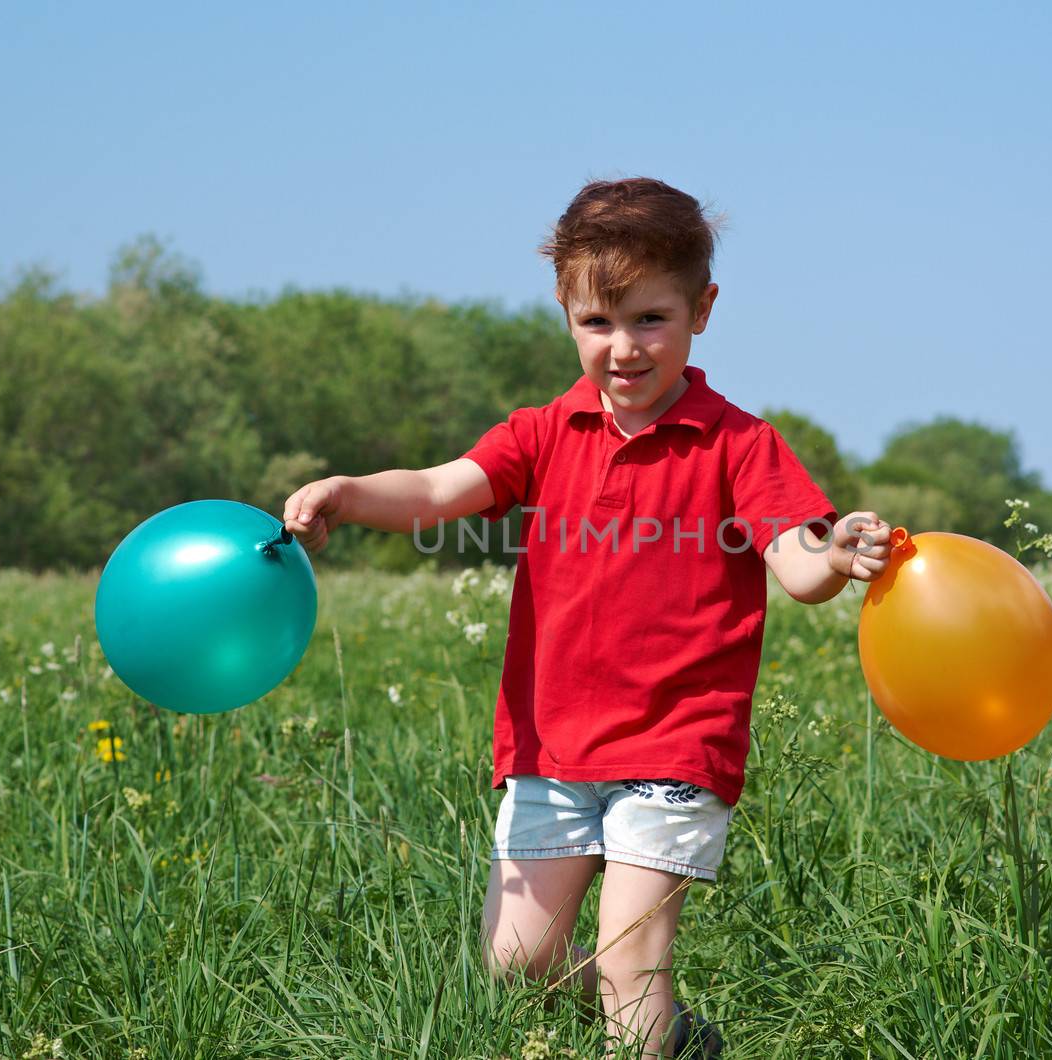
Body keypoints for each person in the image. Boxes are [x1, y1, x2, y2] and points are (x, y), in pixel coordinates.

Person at [283, 177, 893, 1058]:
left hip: (676, 744)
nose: (624, 348)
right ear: (565, 312)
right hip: (549, 746)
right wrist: (346, 492)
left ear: (702, 309)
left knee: (629, 966)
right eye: (596, 323)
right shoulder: (543, 433)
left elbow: (797, 565)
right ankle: (682, 1042)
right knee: (516, 961)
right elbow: (435, 488)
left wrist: (837, 553)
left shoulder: (737, 443)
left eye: (651, 318)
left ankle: (646, 1028)